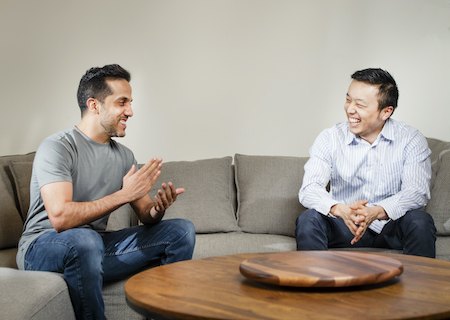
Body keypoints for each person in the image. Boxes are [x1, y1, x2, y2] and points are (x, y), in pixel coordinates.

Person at [16, 64, 196, 320]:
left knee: (182, 231)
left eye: (130, 103)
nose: (130, 111)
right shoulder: (57, 147)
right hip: (42, 248)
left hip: (92, 249)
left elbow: (146, 214)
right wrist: (123, 195)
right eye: (122, 102)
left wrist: (158, 208)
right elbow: (60, 218)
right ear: (94, 105)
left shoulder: (124, 156)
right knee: (85, 241)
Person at [295, 68, 436, 258]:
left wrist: (375, 212)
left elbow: (416, 191)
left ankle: (419, 288)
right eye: (348, 100)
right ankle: (317, 286)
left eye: (360, 104)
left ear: (386, 112)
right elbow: (309, 189)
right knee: (308, 218)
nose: (350, 109)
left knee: (420, 220)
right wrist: (341, 210)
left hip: (389, 226)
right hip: (344, 225)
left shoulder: (411, 139)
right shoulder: (329, 138)